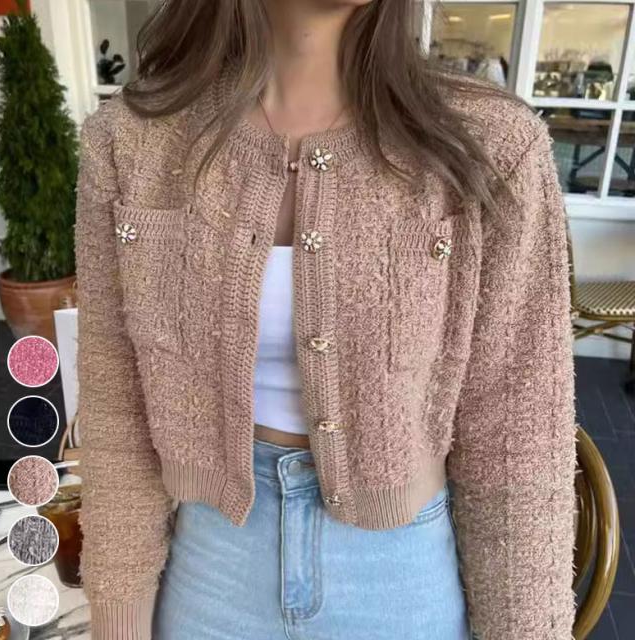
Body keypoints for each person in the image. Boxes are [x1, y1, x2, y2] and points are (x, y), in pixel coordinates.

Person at [74, 1, 577, 639]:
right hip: (211, 570)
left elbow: (518, 441)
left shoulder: (491, 144)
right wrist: (118, 622)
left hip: (398, 582)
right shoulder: (132, 142)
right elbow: (117, 412)